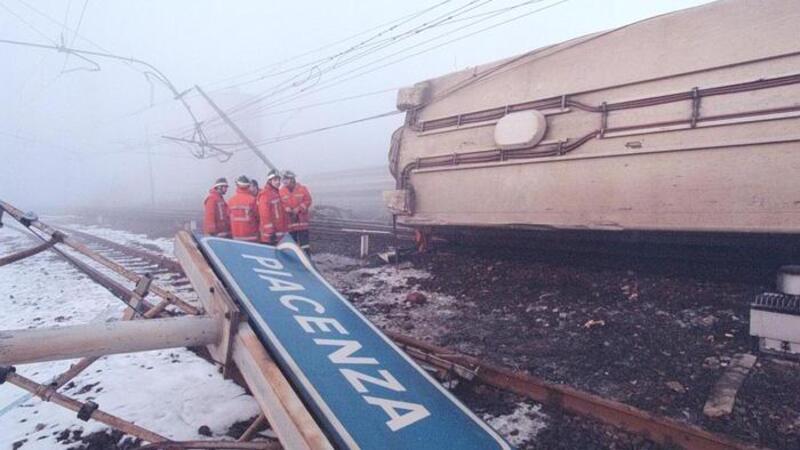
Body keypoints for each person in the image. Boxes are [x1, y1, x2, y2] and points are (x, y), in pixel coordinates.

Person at [280, 170, 312, 253]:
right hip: (290, 225)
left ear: (292, 179)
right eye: (283, 179)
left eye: (286, 179)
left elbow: (308, 201)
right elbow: (280, 204)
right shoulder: (281, 191)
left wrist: (299, 208)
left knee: (305, 246)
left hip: (302, 224)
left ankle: (306, 262)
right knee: (292, 248)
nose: (284, 181)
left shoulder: (302, 189)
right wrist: (285, 208)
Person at [256, 170, 288, 245]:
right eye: (275, 180)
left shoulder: (275, 193)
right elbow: (264, 215)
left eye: (279, 180)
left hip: (278, 234)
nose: (278, 182)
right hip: (270, 237)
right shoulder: (265, 195)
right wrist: (270, 232)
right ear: (269, 181)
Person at [228, 175, 259, 242]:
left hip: (236, 238)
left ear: (237, 185)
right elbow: (258, 217)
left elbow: (228, 218)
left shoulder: (231, 201)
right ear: (248, 186)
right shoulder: (253, 200)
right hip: (252, 238)